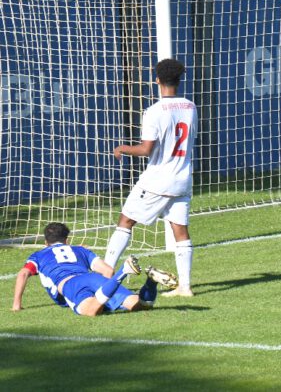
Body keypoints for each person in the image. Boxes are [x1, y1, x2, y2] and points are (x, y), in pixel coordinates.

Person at [105, 58, 197, 297]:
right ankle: (185, 287)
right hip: (183, 178)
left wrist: (122, 148)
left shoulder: (154, 111)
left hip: (158, 179)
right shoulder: (190, 106)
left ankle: (104, 275)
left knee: (125, 221)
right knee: (181, 231)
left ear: (157, 80)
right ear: (179, 79)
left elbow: (146, 150)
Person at [11, 222, 175, 316]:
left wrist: (16, 305)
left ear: (46, 242)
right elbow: (107, 271)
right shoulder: (80, 250)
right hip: (93, 278)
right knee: (140, 305)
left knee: (90, 311)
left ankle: (124, 271)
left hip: (69, 285)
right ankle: (151, 282)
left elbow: (24, 273)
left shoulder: (38, 255)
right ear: (66, 240)